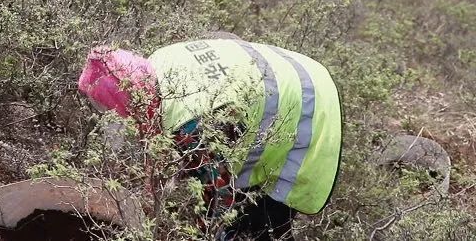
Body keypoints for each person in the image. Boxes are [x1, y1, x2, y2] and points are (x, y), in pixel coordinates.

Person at [78, 38, 343, 240]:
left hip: (310, 104)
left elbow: (219, 195)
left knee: (260, 224)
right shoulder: (157, 63)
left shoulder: (189, 122)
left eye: (114, 107)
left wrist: (200, 232)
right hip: (289, 68)